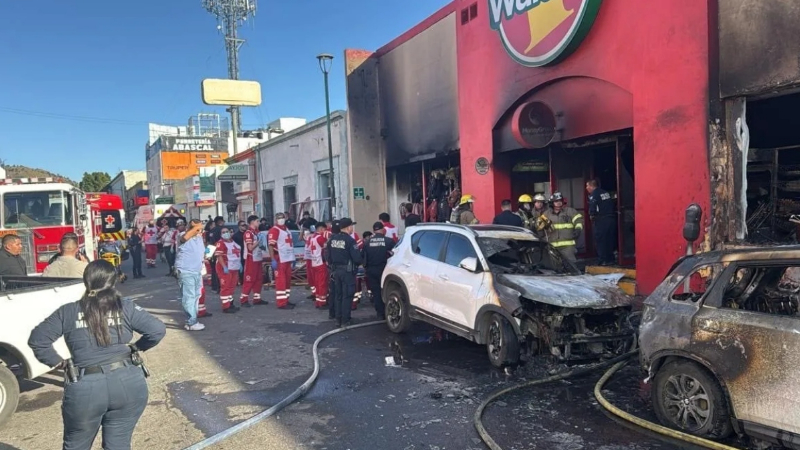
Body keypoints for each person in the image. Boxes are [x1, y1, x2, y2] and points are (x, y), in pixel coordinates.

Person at [28, 260, 166, 450]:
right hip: (128, 382)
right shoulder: (125, 307)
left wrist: (59, 363)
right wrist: (136, 347)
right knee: (118, 443)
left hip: (85, 387)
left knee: (76, 445)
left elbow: (38, 339)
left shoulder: (68, 311)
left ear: (86, 281)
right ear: (114, 281)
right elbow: (157, 330)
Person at [325, 218, 362, 327]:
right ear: (348, 227)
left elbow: (328, 256)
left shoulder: (332, 239)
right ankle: (345, 320)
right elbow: (357, 258)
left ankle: (338, 319)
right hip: (347, 272)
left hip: (336, 271)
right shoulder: (350, 240)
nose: (352, 228)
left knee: (338, 295)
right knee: (347, 295)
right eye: (351, 226)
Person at [176, 219, 207, 331]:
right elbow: (184, 238)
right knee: (189, 297)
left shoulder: (199, 238)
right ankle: (191, 322)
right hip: (186, 271)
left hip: (197, 271)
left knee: (196, 296)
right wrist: (195, 228)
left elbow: (200, 252)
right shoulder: (182, 235)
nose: (200, 230)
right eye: (198, 228)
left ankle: (193, 320)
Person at [363, 222, 396, 320]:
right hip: (383, 269)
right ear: (382, 230)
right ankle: (388, 311)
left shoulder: (367, 242)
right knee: (386, 290)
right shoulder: (389, 241)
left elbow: (363, 258)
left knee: (376, 292)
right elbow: (396, 253)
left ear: (373, 231)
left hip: (371, 270)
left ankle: (380, 313)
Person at [542, 192, 584, 263]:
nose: (558, 203)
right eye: (556, 201)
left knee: (571, 265)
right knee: (554, 265)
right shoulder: (546, 214)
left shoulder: (570, 211)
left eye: (560, 201)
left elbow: (578, 220)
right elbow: (539, 226)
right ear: (552, 202)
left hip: (568, 246)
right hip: (552, 246)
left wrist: (578, 229)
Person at [267, 213, 295, 309]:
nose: (281, 219)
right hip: (279, 258)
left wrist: (292, 257)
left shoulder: (286, 229)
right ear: (275, 219)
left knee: (287, 281)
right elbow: (270, 246)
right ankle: (281, 303)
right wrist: (273, 259)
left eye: (282, 217)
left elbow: (289, 244)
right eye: (279, 218)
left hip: (287, 258)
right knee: (281, 281)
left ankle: (286, 300)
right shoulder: (274, 230)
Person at [239, 215, 268, 307]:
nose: (258, 223)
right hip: (251, 258)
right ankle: (244, 300)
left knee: (259, 279)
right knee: (249, 279)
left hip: (258, 258)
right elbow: (250, 247)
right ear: (252, 222)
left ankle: (257, 298)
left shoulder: (257, 232)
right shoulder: (248, 233)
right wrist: (259, 241)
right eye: (257, 221)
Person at [586, 179, 617, 266]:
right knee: (610, 239)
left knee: (601, 240)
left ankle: (602, 260)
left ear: (592, 186)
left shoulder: (594, 195)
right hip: (611, 219)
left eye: (587, 186)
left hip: (601, 220)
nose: (586, 188)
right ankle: (610, 259)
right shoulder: (605, 193)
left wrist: (591, 216)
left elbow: (593, 207)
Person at [214, 226, 242, 313]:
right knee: (225, 287)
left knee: (231, 286)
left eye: (227, 231)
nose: (226, 233)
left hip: (234, 267)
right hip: (225, 267)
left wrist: (239, 264)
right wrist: (224, 267)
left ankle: (230, 303)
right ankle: (226, 306)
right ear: (221, 234)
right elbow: (219, 256)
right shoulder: (220, 243)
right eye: (223, 232)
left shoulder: (232, 241)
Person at [308, 223, 329, 309]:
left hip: (314, 263)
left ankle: (318, 301)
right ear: (320, 229)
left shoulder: (312, 237)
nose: (324, 231)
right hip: (320, 263)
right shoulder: (320, 238)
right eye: (324, 229)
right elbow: (326, 247)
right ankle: (322, 302)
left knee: (317, 283)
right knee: (322, 283)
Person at [206, 216, 225, 293]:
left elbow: (208, 243)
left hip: (211, 251)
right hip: (220, 253)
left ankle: (214, 287)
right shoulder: (221, 230)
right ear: (220, 222)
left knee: (213, 270)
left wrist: (208, 255)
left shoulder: (211, 231)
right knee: (220, 270)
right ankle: (220, 287)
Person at [303, 228, 315, 300]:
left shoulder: (317, 237)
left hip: (314, 259)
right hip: (308, 258)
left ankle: (317, 294)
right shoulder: (308, 236)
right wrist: (302, 230)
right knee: (310, 278)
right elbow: (301, 238)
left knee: (315, 277)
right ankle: (314, 293)